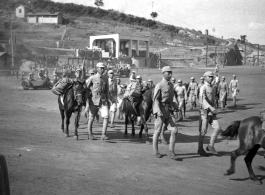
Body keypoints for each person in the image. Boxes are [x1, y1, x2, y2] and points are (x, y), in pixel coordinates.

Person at [152, 66, 178, 159]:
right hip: (161, 110)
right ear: (163, 73)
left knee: (174, 130)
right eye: (168, 72)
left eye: (171, 72)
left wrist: (176, 106)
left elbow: (172, 97)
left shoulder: (171, 85)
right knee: (157, 131)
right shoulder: (159, 85)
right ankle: (155, 151)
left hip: (169, 110)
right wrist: (158, 111)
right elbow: (155, 100)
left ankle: (171, 151)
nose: (170, 74)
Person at [198, 71, 221, 156]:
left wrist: (214, 108)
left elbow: (213, 99)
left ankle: (210, 145)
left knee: (218, 128)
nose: (211, 78)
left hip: (212, 112)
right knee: (203, 131)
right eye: (209, 77)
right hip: (205, 112)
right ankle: (200, 149)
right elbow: (202, 100)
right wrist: (211, 108)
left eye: (212, 77)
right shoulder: (203, 87)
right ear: (205, 77)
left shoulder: (213, 87)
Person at [86, 62, 110, 140]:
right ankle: (90, 134)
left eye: (103, 68)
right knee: (91, 117)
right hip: (94, 100)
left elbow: (107, 91)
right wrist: (87, 99)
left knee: (106, 116)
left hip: (103, 100)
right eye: (101, 68)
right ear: (97, 68)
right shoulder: (92, 78)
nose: (102, 69)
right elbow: (86, 88)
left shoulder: (106, 79)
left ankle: (103, 134)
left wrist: (108, 100)